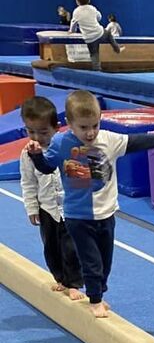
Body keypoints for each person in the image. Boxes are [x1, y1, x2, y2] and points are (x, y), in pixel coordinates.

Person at [26, 90, 154, 319]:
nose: (90, 133)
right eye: (83, 127)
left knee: (105, 262)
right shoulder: (61, 143)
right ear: (69, 123)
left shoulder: (109, 140)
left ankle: (99, 291)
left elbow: (138, 142)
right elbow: (47, 168)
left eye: (95, 125)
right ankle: (95, 299)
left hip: (106, 214)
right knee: (92, 261)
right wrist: (36, 156)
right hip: (78, 216)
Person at [19, 96, 83, 301]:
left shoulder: (67, 147)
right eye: (31, 132)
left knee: (71, 248)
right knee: (51, 248)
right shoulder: (27, 154)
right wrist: (32, 208)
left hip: (70, 208)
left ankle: (74, 283)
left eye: (43, 132)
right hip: (47, 209)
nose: (37, 137)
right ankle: (60, 278)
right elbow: (28, 182)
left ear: (56, 127)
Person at [69, 0, 124, 70]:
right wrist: (94, 19)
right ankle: (117, 49)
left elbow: (73, 23)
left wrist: (71, 31)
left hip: (89, 38)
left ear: (77, 0)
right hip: (99, 33)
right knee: (108, 34)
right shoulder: (92, 8)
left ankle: (97, 69)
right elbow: (99, 17)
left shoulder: (76, 12)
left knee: (94, 54)